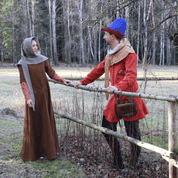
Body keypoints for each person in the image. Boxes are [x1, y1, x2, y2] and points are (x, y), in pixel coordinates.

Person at [74, 18, 149, 172]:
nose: (104, 37)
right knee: (106, 127)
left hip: (129, 97)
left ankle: (132, 166)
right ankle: (118, 162)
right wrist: (83, 82)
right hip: (115, 98)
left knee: (133, 134)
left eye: (106, 34)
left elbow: (131, 77)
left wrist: (116, 86)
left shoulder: (129, 53)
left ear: (113, 36)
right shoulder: (110, 55)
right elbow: (98, 70)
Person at [17, 37, 69, 161]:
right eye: (32, 46)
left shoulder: (43, 60)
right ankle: (34, 153)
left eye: (36, 45)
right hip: (33, 99)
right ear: (27, 48)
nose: (35, 48)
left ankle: (48, 151)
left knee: (46, 122)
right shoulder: (22, 63)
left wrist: (62, 80)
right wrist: (28, 98)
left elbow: (51, 73)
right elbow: (23, 82)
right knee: (34, 124)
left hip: (44, 96)